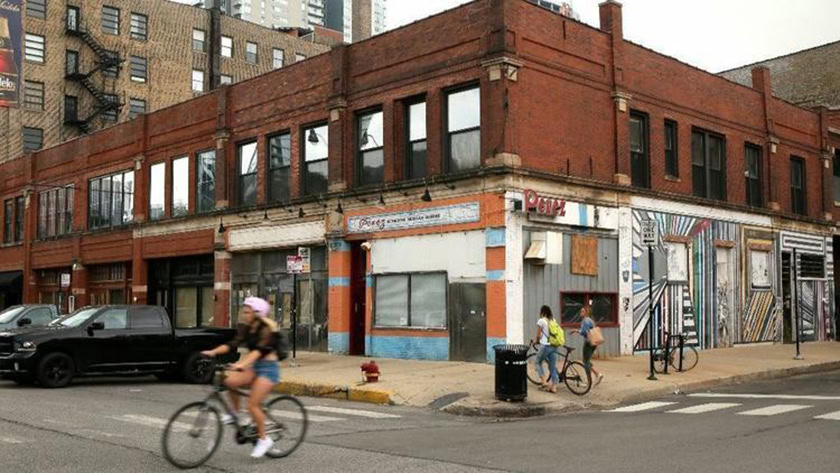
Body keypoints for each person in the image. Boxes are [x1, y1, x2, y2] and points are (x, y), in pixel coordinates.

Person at [201, 297, 280, 458]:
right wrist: (213, 352)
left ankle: (265, 440)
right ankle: (235, 414)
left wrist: (241, 365)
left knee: (252, 405)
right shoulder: (247, 328)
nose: (244, 314)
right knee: (230, 382)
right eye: (243, 311)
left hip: (268, 370)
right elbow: (232, 344)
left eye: (247, 312)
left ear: (257, 313)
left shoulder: (266, 329)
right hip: (255, 367)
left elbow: (258, 352)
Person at [571, 305, 604, 386]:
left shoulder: (585, 321)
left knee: (585, 362)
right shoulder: (590, 320)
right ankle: (596, 374)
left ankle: (591, 380)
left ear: (586, 313)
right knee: (587, 361)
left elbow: (585, 332)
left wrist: (576, 331)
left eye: (582, 311)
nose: (580, 313)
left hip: (588, 343)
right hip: (593, 343)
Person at [532, 305, 559, 393]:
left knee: (538, 362)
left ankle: (544, 381)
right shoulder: (553, 320)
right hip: (554, 345)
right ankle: (554, 387)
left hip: (545, 346)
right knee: (552, 366)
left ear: (542, 312)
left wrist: (536, 341)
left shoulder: (541, 321)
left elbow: (538, 335)